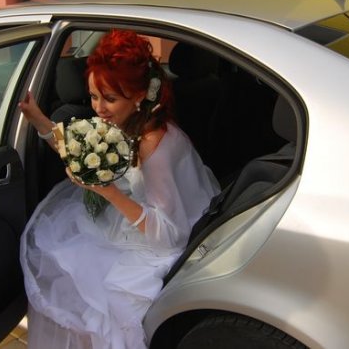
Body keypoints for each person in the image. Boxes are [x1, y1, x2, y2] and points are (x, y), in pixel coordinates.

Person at [18, 30, 220, 349]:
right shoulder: (129, 121)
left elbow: (169, 236)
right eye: (93, 97)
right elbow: (80, 149)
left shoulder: (154, 147)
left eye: (110, 98)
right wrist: (39, 120)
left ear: (139, 95)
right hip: (130, 210)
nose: (99, 108)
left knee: (85, 284)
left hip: (156, 236)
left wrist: (107, 192)